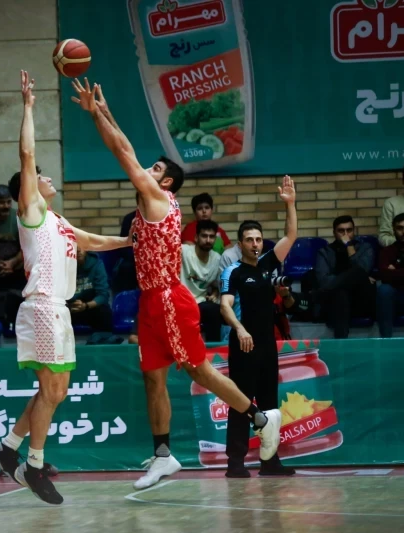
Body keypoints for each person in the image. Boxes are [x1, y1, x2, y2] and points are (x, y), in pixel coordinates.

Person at [72, 77, 283, 490]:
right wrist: (106, 108)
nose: (147, 169)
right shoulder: (153, 198)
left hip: (170, 297)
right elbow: (128, 147)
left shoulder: (156, 198)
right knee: (153, 377)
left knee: (199, 371)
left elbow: (121, 151)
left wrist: (95, 114)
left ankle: (261, 418)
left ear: (165, 182)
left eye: (156, 168)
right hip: (149, 302)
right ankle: (164, 456)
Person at [0, 70, 132, 505]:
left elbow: (92, 242)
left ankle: (6, 448)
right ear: (29, 189)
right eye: (43, 178)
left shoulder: (60, 223)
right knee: (51, 390)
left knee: (58, 390)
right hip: (42, 305)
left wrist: (128, 240)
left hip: (61, 311)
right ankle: (33, 465)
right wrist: (29, 107)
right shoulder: (31, 210)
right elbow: (27, 154)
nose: (49, 181)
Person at [220, 216, 298, 477]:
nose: (255, 244)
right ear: (240, 244)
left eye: (258, 239)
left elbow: (290, 237)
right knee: (240, 402)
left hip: (268, 346)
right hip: (243, 346)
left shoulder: (267, 265)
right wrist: (239, 329)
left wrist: (290, 203)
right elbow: (225, 306)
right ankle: (235, 463)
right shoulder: (233, 271)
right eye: (249, 240)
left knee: (269, 404)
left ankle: (270, 462)